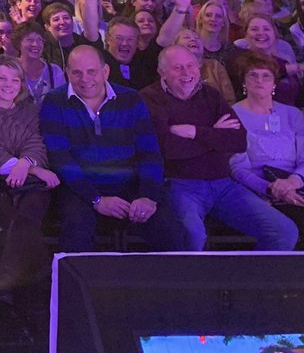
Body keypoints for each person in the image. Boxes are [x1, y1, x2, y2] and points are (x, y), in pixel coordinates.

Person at [143, 45, 298, 251]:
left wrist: (195, 132)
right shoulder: (149, 98)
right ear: (162, 72)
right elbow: (167, 149)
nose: (187, 73)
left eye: (191, 66)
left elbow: (238, 141)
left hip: (224, 184)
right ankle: (194, 283)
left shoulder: (210, 94)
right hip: (180, 185)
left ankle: (250, 282)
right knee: (191, 236)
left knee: (284, 231)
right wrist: (214, 135)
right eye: (178, 68)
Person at [39, 45, 185, 253]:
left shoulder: (131, 99)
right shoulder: (54, 101)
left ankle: (169, 285)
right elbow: (61, 158)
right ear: (67, 73)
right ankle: (78, 284)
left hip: (128, 184)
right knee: (76, 229)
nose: (85, 79)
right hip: (79, 189)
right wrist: (96, 199)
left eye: (92, 71)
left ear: (105, 71)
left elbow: (150, 152)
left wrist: (148, 196)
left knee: (172, 231)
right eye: (77, 73)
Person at [0, 56, 59, 301]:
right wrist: (32, 169)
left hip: (28, 184)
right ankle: (48, 284)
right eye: (3, 78)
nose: (9, 85)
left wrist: (25, 165)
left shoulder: (27, 109)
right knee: (19, 222)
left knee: (26, 217)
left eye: (15, 80)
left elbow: (35, 143)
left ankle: (6, 280)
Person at [229, 51, 304, 246]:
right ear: (243, 82)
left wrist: (293, 181)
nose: (259, 80)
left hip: (296, 183)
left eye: (266, 76)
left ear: (274, 83)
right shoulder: (233, 115)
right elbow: (237, 168)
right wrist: (271, 188)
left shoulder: (292, 114)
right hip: (256, 188)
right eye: (253, 75)